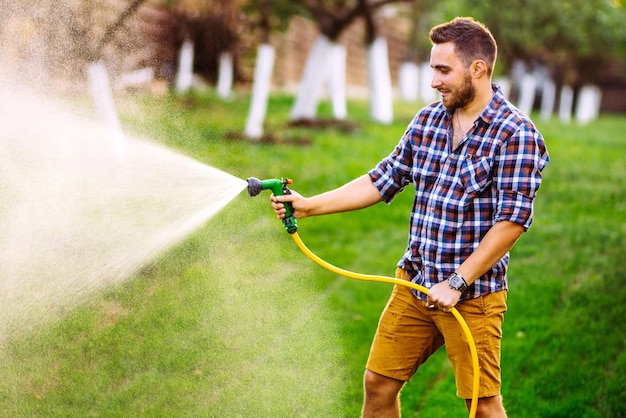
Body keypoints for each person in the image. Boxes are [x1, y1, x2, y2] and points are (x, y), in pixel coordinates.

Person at [271, 16, 549, 418]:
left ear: (478, 69)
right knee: (378, 384)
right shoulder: (428, 121)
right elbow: (381, 179)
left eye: (442, 70)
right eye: (432, 69)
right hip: (415, 283)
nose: (434, 81)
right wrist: (310, 205)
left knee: (483, 406)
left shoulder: (515, 133)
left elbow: (512, 221)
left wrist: (457, 281)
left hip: (472, 296)